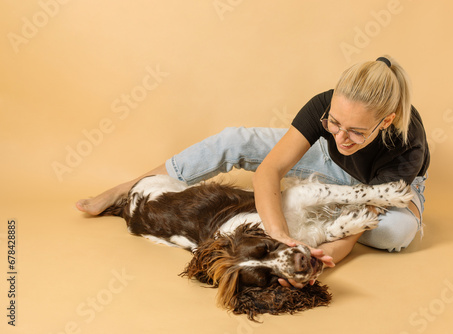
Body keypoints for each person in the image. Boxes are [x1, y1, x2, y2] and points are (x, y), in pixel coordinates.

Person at [76, 55, 430, 288]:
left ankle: (310, 202)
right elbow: (269, 170)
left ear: (386, 120)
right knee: (234, 139)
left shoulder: (407, 143)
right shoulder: (328, 108)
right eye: (333, 122)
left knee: (394, 231)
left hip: (378, 188)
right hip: (327, 164)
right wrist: (277, 234)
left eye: (355, 130)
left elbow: (368, 212)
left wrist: (324, 258)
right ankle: (128, 187)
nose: (340, 135)